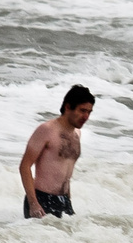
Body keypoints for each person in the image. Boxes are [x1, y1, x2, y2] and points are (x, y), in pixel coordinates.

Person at [19, 85, 94, 218]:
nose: (86, 116)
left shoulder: (77, 134)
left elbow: (65, 171)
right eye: (82, 110)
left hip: (64, 201)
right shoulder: (46, 130)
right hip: (42, 199)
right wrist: (33, 203)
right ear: (68, 107)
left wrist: (68, 201)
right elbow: (25, 166)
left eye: (89, 112)